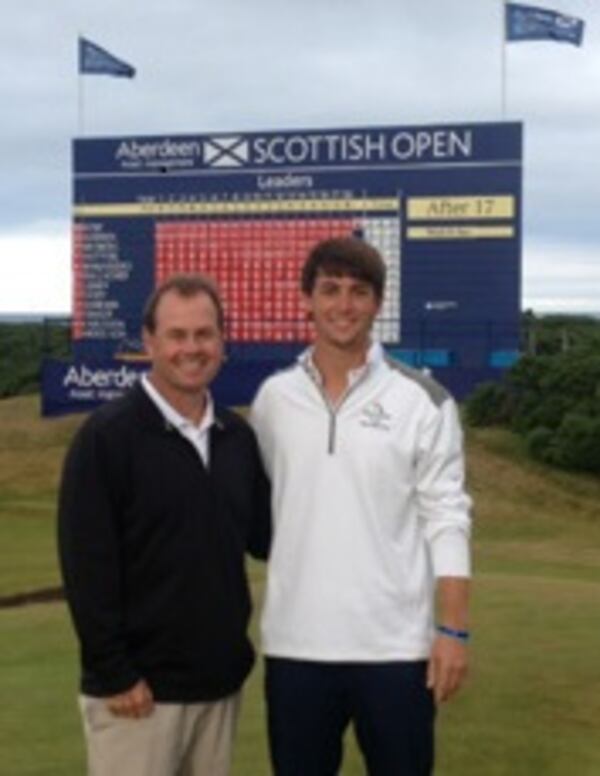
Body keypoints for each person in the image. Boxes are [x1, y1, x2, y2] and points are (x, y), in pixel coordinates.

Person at [250, 237, 472, 776]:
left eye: (358, 292)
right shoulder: (273, 400)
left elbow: (447, 517)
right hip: (295, 648)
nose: (343, 305)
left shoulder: (424, 400)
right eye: (329, 290)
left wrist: (453, 631)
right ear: (306, 300)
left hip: (396, 653)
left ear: (377, 303)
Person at [58, 273, 270, 776]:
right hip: (137, 697)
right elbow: (87, 566)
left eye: (204, 334)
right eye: (177, 335)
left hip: (217, 689)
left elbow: (266, 538)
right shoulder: (107, 438)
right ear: (149, 341)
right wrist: (114, 674)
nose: (191, 349)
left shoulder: (236, 437)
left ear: (222, 340)